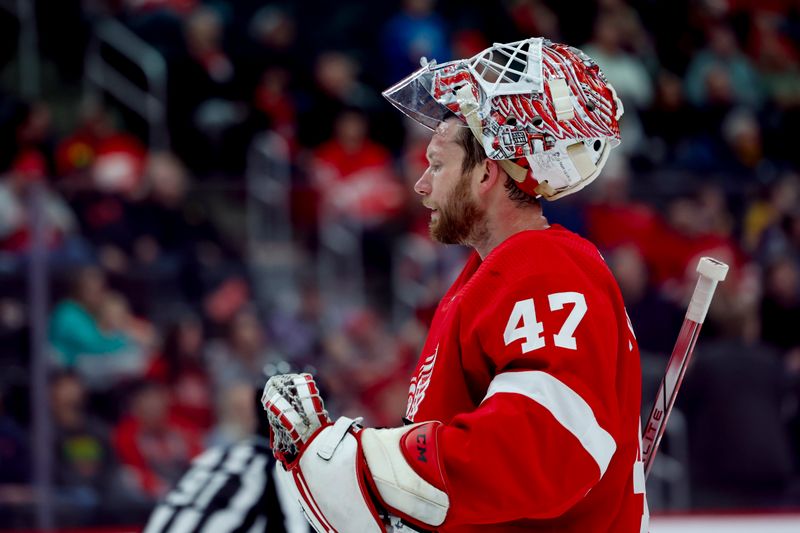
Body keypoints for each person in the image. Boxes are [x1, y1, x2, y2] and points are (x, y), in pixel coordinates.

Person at [262, 37, 647, 532]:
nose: (421, 185)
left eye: (438, 164)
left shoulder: (544, 268)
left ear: (487, 172)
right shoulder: (491, 276)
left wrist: (352, 459)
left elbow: (548, 450)